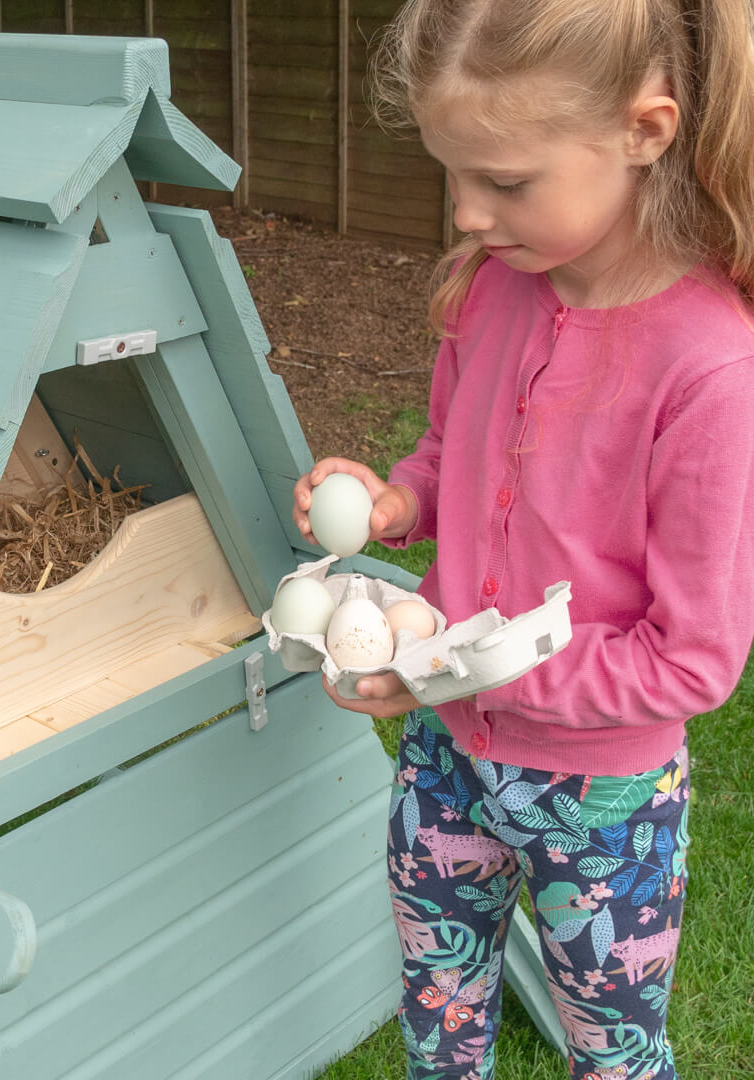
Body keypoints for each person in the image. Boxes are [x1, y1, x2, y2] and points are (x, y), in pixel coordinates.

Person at [292, 3, 754, 1078]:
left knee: (614, 1053)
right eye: (451, 172)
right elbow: (454, 459)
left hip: (604, 805)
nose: (466, 212)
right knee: (439, 1024)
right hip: (447, 762)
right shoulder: (496, 291)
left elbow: (691, 656)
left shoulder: (711, 372)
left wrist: (450, 663)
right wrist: (396, 504)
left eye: (504, 182)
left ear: (646, 131)